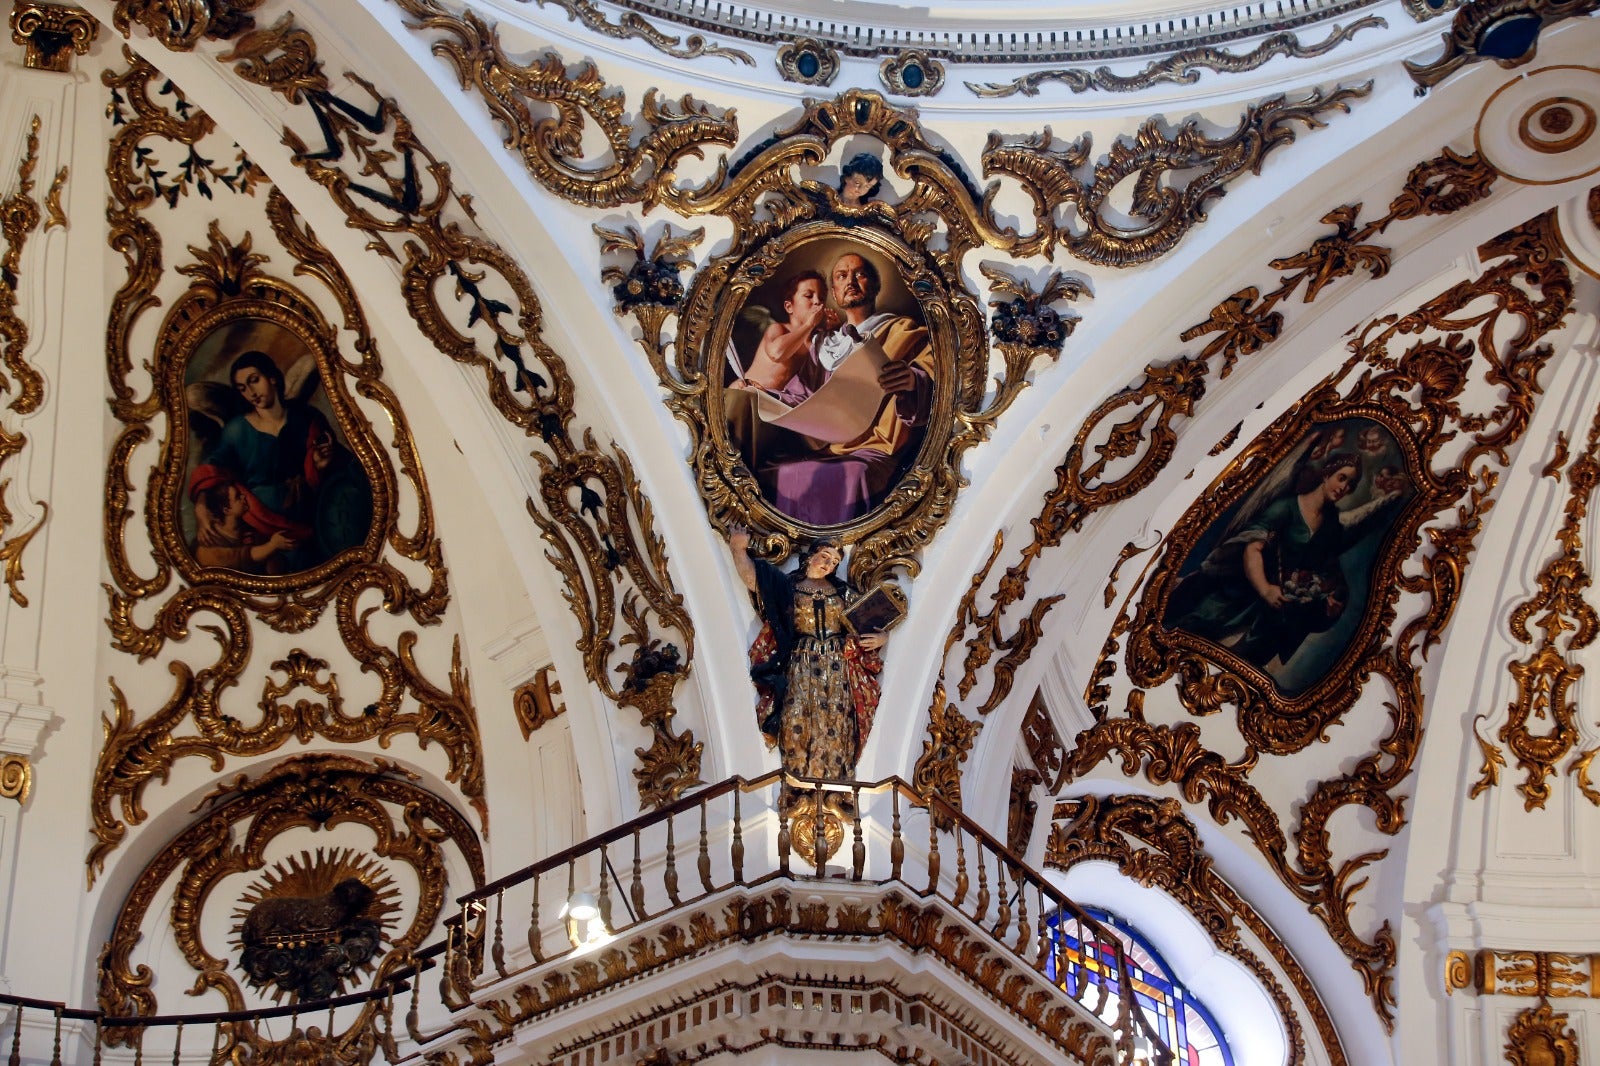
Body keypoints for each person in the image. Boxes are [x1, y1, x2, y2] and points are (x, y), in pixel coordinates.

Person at [1165, 450, 1405, 673]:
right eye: (1342, 478)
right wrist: (1265, 588)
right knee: (1193, 636)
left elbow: (1326, 566)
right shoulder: (1287, 507)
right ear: (1326, 474)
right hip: (1242, 592)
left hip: (1276, 608)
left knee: (1243, 662)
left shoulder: (1331, 523)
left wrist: (1331, 597)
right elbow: (1253, 547)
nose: (1344, 487)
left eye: (1350, 485)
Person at [762, 251, 935, 525]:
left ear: (875, 285)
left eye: (860, 274)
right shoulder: (827, 346)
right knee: (780, 471)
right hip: (831, 448)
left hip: (876, 448)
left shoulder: (904, 331)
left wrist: (913, 380)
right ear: (834, 291)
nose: (850, 281)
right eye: (841, 276)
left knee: (853, 475)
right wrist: (763, 396)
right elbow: (798, 396)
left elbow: (934, 382)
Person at [729, 528, 885, 796]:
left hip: (837, 667)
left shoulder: (842, 592)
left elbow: (871, 617)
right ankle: (797, 786)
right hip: (800, 664)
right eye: (825, 556)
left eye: (834, 562)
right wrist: (738, 549)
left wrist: (882, 637)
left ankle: (836, 789)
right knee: (795, 719)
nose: (828, 564)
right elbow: (755, 580)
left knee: (837, 723)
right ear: (811, 555)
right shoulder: (787, 586)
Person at [205, 350, 372, 571]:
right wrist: (201, 509)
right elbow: (212, 474)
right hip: (260, 527)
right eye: (243, 388)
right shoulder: (236, 430)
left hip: (311, 520)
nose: (251, 392)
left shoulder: (305, 416)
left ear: (272, 377)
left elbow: (336, 466)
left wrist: (320, 465)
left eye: (254, 381)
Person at [738, 271, 839, 391]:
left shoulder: (818, 339)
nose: (818, 301)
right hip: (744, 393)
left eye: (821, 297)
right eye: (808, 296)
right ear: (789, 307)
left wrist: (834, 333)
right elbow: (777, 354)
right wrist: (809, 324)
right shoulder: (778, 329)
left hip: (774, 404)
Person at [187, 465, 298, 574]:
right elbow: (239, 557)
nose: (244, 497)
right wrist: (272, 546)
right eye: (238, 496)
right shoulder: (206, 544)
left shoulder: (247, 531)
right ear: (226, 510)